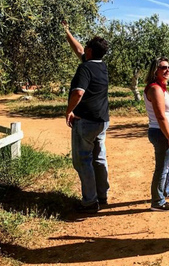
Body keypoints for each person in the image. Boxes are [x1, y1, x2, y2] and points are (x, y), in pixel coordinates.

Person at [62, 21, 110, 214]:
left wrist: (69, 110)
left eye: (86, 49)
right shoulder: (101, 66)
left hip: (86, 121)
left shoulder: (85, 69)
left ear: (90, 51)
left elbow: (78, 93)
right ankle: (102, 195)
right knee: (99, 158)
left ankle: (90, 202)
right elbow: (79, 48)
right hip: (102, 121)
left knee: (83, 160)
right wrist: (67, 32)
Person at [144, 57, 169, 212]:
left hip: (166, 131)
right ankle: (158, 201)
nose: (167, 70)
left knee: (168, 164)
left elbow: (165, 110)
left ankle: (165, 191)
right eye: (163, 67)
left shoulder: (161, 87)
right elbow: (159, 116)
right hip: (161, 133)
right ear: (155, 70)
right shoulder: (155, 89)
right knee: (162, 167)